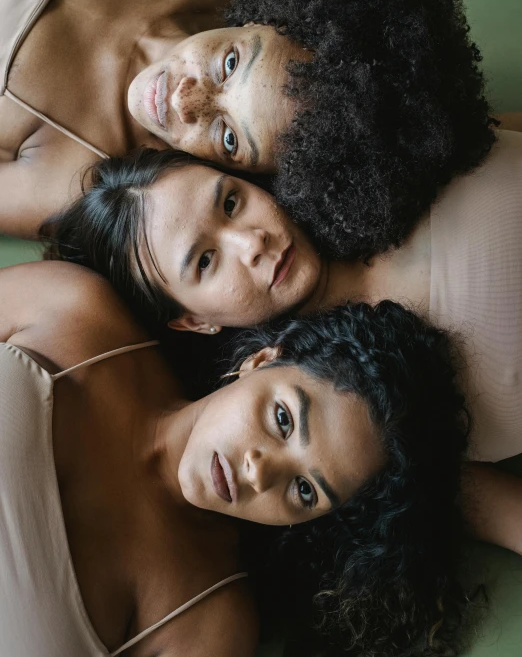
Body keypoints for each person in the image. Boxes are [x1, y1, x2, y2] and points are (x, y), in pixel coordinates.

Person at [45, 127, 522, 554]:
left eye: (230, 202)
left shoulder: (375, 148)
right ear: (194, 321)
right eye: (206, 262)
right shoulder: (371, 423)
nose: (251, 243)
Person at [0, 0, 503, 255]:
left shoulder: (70, 182)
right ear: (268, 19)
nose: (185, 101)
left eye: (229, 138)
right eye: (231, 63)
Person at [0, 260, 470, 656]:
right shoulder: (78, 310)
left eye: (305, 490)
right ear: (261, 361)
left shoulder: (207, 622)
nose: (261, 473)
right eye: (283, 420)